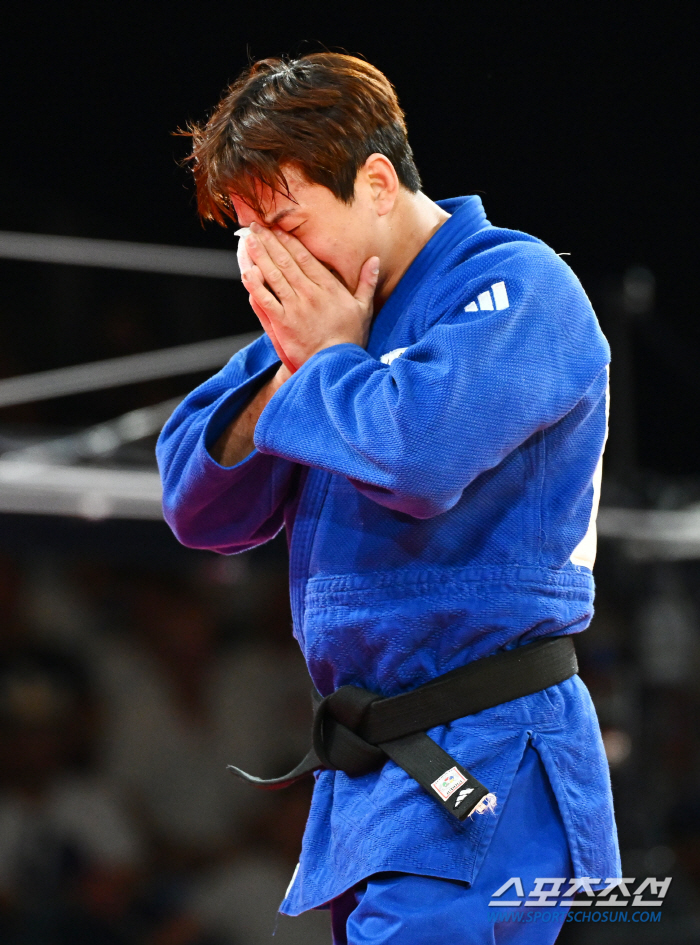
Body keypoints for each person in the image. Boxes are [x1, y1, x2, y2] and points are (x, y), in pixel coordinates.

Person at [157, 53, 620, 944]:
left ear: (374, 182)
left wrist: (329, 364)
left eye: (286, 222)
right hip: (374, 773)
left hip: (489, 757)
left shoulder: (520, 288)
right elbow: (194, 499)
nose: (269, 259)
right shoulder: (324, 327)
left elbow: (416, 459)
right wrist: (304, 364)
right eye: (249, 233)